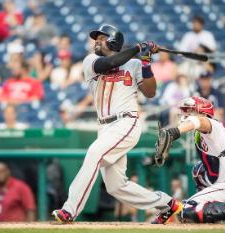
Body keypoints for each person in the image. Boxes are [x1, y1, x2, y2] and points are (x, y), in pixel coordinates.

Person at [52, 24, 182, 224]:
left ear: (113, 40)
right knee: (116, 186)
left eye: (101, 38)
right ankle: (167, 204)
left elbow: (150, 92)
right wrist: (138, 49)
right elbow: (109, 63)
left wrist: (146, 63)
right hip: (104, 127)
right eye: (96, 38)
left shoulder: (134, 65)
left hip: (126, 122)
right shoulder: (91, 60)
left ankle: (70, 210)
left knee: (94, 154)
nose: (96, 41)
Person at [157, 96, 225, 223]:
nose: (187, 114)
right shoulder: (217, 130)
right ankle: (222, 213)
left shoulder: (211, 124)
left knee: (187, 210)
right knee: (198, 171)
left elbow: (200, 121)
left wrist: (175, 132)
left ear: (204, 114)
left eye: (191, 111)